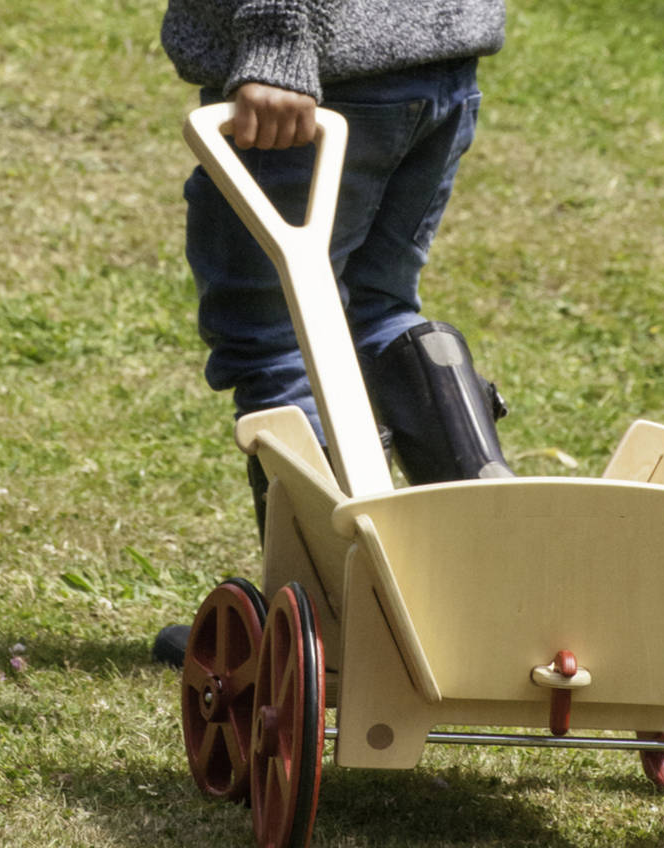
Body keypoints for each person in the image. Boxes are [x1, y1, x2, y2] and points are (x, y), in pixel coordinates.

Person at [153, 2, 515, 666]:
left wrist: (275, 45)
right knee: (377, 310)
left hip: (312, 81)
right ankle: (501, 585)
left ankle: (330, 631)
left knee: (275, 337)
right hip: (435, 62)